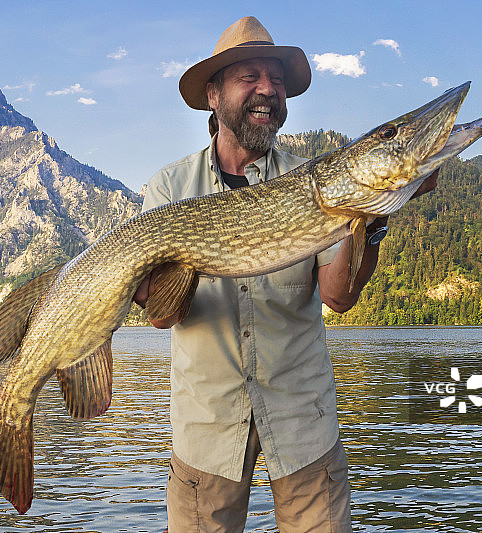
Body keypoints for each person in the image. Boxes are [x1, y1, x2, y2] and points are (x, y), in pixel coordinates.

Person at [135, 16, 437, 532]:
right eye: (249, 76)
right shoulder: (169, 188)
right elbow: (166, 316)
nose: (267, 90)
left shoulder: (315, 182)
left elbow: (338, 296)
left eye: (275, 79)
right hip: (206, 429)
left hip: (303, 424)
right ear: (214, 94)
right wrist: (141, 289)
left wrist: (374, 217)